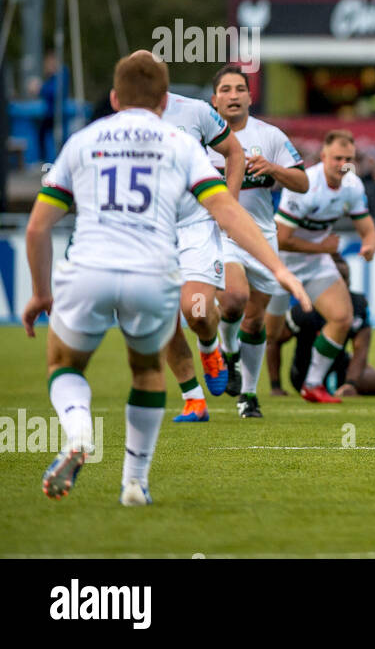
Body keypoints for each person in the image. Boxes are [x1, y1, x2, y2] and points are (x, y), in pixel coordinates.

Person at [23, 50, 308, 506]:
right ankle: (134, 482)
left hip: (89, 268)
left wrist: (40, 293)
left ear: (115, 98)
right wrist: (278, 269)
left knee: (65, 364)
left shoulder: (83, 140)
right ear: (163, 100)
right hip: (151, 273)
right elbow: (227, 211)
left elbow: (38, 227)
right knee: (146, 372)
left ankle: (78, 434)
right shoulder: (178, 144)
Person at [209, 66, 310, 417]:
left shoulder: (269, 136)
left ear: (251, 97)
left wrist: (274, 169)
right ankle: (228, 353)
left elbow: (302, 183)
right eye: (225, 89)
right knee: (234, 299)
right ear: (214, 99)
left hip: (262, 238)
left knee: (254, 322)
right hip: (220, 236)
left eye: (240, 89)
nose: (233, 95)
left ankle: (248, 396)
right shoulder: (198, 138)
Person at [271, 130, 375, 406]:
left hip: (314, 263)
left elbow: (367, 228)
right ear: (323, 157)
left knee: (342, 317)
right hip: (278, 264)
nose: (343, 163)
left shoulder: (353, 185)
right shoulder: (304, 185)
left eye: (349, 158)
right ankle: (231, 361)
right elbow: (282, 240)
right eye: (337, 158)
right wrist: (323, 248)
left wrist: (370, 245)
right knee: (267, 333)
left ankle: (312, 384)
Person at [159, 90, 247, 422]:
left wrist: (229, 205)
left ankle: (210, 346)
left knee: (195, 310)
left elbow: (234, 152)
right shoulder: (119, 124)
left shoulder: (194, 111)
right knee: (161, 317)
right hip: (150, 232)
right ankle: (193, 399)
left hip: (195, 225)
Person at [267, 255, 375, 396]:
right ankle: (314, 383)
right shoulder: (305, 309)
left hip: (340, 368)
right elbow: (274, 341)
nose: (344, 284)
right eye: (340, 278)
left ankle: (346, 379)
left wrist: (351, 384)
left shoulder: (358, 304)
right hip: (303, 373)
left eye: (347, 278)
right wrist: (275, 386)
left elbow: (361, 348)